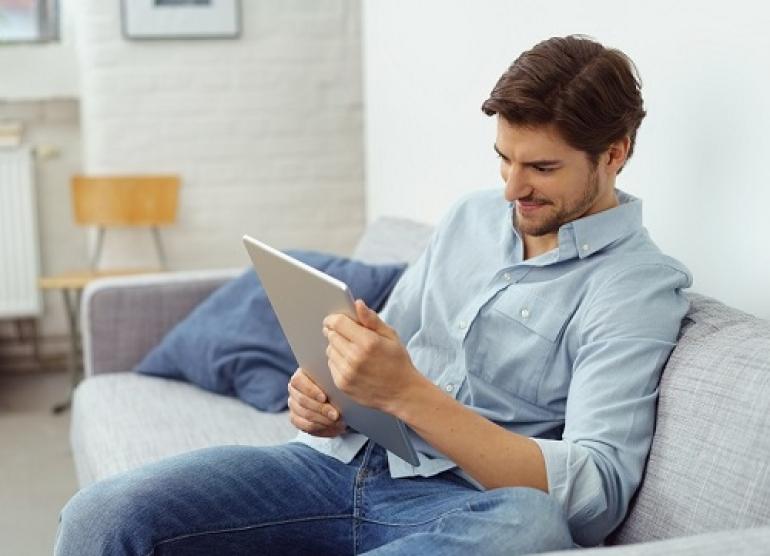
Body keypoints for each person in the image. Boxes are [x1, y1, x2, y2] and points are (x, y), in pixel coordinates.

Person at [55, 35, 692, 555]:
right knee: (103, 516)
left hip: (464, 505)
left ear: (615, 153)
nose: (510, 190)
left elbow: (597, 494)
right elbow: (382, 334)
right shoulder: (472, 218)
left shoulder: (637, 286)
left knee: (529, 528)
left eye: (541, 169)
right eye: (504, 160)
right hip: (332, 464)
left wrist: (406, 394)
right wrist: (327, 391)